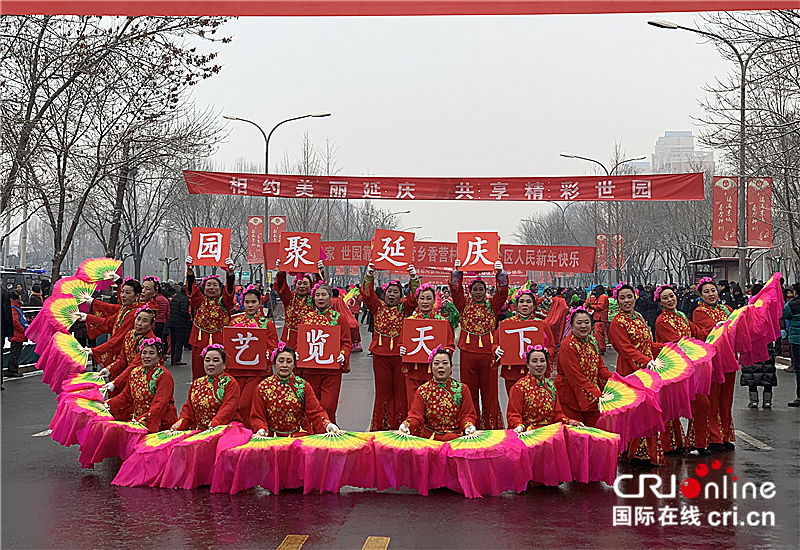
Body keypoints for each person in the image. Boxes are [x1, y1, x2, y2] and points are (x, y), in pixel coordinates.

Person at [609, 283, 664, 467]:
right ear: (617, 301)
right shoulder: (617, 323)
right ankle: (634, 453)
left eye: (629, 297)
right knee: (634, 413)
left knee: (647, 411)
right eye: (622, 298)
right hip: (630, 372)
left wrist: (667, 348)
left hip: (647, 372)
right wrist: (645, 361)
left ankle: (646, 452)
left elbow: (648, 344)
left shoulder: (639, 317)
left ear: (635, 297)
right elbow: (626, 350)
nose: (626, 301)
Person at [449, 260, 508, 429]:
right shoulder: (464, 304)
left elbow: (502, 294)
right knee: (469, 391)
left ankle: (492, 427)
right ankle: (470, 424)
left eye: (481, 289)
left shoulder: (492, 305)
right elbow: (456, 292)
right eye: (475, 289)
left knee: (490, 394)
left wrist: (500, 274)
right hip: (468, 353)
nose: (478, 293)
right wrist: (457, 272)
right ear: (470, 291)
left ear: (485, 291)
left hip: (489, 354)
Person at [361, 263, 419, 431]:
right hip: (380, 356)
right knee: (383, 392)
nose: (392, 295)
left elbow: (414, 298)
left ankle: (400, 425)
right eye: (389, 292)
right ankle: (382, 426)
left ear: (401, 296)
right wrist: (370, 274)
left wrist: (413, 278)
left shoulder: (404, 309)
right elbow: (366, 294)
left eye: (396, 292)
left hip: (400, 356)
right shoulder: (377, 307)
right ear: (384, 294)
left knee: (401, 393)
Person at [654, 284, 708, 455]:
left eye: (671, 296)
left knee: (702, 403)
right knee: (670, 407)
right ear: (660, 303)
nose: (670, 300)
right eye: (665, 298)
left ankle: (697, 443)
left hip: (689, 367)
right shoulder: (661, 321)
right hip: (672, 369)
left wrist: (717, 329)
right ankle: (670, 445)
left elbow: (697, 332)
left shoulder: (682, 316)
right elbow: (676, 342)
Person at [250, 344, 340, 437]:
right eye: (281, 361)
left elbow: (315, 411)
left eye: (289, 361)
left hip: (299, 435)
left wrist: (327, 424)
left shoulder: (303, 386)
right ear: (274, 363)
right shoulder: (263, 387)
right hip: (273, 437)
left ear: (294, 365)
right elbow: (258, 416)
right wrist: (261, 428)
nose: (284, 365)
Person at [692, 277, 735, 452]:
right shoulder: (699, 312)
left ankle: (725, 435)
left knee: (726, 400)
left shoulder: (726, 309)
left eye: (713, 290)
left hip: (730, 358)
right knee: (713, 400)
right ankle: (714, 437)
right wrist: (721, 327)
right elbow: (711, 332)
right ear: (701, 295)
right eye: (707, 292)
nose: (711, 294)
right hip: (713, 360)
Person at [399, 346, 477, 441]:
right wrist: (407, 425)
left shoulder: (462, 389)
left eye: (445, 363)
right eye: (436, 363)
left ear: (451, 367)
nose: (441, 366)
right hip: (430, 439)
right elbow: (415, 415)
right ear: (431, 367)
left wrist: (469, 426)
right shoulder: (423, 390)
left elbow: (467, 415)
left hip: (455, 439)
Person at [299, 282, 352, 423]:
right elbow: (302, 343)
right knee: (311, 405)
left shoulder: (339, 318)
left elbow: (346, 342)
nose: (320, 298)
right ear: (313, 298)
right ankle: (312, 434)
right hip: (311, 370)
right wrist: (298, 354)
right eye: (317, 295)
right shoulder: (307, 318)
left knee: (328, 405)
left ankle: (329, 431)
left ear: (330, 297)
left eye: (324, 295)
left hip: (331, 371)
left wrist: (343, 354)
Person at [228, 285, 279, 428]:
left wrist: (262, 354)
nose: (250, 305)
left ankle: (250, 431)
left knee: (246, 404)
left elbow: (273, 349)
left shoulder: (267, 324)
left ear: (260, 303)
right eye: (247, 302)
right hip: (236, 371)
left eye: (254, 302)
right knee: (234, 405)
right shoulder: (234, 322)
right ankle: (237, 432)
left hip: (257, 373)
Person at [399, 283, 456, 406]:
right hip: (413, 372)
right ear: (417, 300)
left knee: (434, 407)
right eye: (422, 298)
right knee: (414, 406)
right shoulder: (410, 322)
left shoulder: (443, 322)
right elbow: (401, 343)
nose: (425, 302)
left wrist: (446, 353)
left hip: (434, 373)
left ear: (434, 301)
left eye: (429, 298)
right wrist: (402, 350)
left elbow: (451, 345)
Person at [106, 338, 177, 432]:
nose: (147, 356)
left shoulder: (164, 375)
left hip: (159, 423)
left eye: (151, 353)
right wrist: (107, 405)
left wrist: (142, 421)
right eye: (144, 353)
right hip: (138, 421)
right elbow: (126, 397)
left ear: (159, 357)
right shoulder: (135, 372)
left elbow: (160, 404)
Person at [493, 287, 555, 395]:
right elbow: (494, 344)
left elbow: (553, 347)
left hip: (536, 372)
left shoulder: (542, 325)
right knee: (514, 404)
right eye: (521, 301)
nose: (525, 304)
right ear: (516, 305)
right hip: (512, 372)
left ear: (534, 305)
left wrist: (545, 353)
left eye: (528, 301)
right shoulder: (506, 324)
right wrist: (496, 350)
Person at [555, 308, 611, 427]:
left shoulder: (592, 341)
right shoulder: (567, 345)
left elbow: (600, 368)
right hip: (570, 397)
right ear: (571, 325)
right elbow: (576, 377)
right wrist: (598, 395)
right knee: (577, 434)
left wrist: (616, 382)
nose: (583, 326)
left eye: (586, 322)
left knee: (596, 429)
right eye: (579, 323)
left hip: (590, 394)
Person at [507, 345, 582, 432]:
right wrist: (519, 426)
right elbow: (513, 416)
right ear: (527, 364)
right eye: (534, 361)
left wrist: (571, 422)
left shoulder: (550, 386)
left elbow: (557, 415)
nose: (539, 364)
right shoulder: (519, 388)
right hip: (529, 434)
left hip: (549, 433)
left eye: (542, 361)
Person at [87, 306, 157, 396]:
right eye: (138, 319)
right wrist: (109, 369)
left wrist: (116, 382)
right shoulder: (130, 334)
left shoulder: (150, 343)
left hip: (143, 381)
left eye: (144, 321)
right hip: (127, 376)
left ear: (151, 325)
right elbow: (122, 359)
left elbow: (135, 364)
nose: (139, 323)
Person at [185, 256, 235, 380]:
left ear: (220, 288)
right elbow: (192, 291)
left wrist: (230, 273)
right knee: (199, 372)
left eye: (215, 285)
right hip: (199, 341)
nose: (211, 288)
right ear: (204, 288)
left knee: (221, 373)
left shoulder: (224, 303)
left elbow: (229, 293)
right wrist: (190, 272)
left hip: (220, 341)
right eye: (209, 285)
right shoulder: (199, 302)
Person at [171, 344, 241, 430]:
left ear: (224, 364)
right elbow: (188, 410)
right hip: (200, 431)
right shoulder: (197, 383)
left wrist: (214, 425)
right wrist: (178, 426)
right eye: (207, 360)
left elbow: (228, 409)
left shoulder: (230, 383)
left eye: (215, 360)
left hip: (224, 430)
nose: (210, 364)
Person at [79, 278, 141, 367]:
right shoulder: (124, 309)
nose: (123, 295)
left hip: (125, 357)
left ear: (137, 296)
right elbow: (108, 323)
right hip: (119, 355)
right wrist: (87, 317)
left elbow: (118, 338)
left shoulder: (133, 315)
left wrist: (95, 350)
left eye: (127, 293)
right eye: (122, 292)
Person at [739, 282, 778, 410]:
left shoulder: (748, 307)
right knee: (767, 373)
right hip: (766, 344)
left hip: (751, 344)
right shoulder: (768, 307)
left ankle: (753, 401)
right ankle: (767, 402)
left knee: (751, 373)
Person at [273, 259, 323, 350]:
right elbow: (281, 287)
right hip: (290, 337)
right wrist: (281, 273)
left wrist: (318, 272)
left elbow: (320, 287)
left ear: (311, 286)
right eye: (299, 283)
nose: (302, 286)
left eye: (305, 283)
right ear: (295, 286)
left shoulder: (314, 298)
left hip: (309, 336)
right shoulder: (290, 298)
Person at [166, 283, 191, 366]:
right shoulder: (184, 299)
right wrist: (188, 317)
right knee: (179, 342)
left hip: (172, 322)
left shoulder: (175, 297)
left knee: (173, 341)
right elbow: (183, 311)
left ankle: (173, 358)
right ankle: (177, 359)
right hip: (180, 323)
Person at [784, 282, 800, 407]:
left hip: (796, 341)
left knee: (799, 369)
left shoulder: (790, 305)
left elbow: (784, 315)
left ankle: (799, 396)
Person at [7, 290, 27, 378]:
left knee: (16, 352)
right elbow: (15, 321)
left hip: (17, 334)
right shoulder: (14, 308)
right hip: (17, 334)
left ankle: (14, 369)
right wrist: (22, 329)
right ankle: (12, 370)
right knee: (15, 353)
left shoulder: (15, 307)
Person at [585, 285, 609, 354]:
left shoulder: (602, 297)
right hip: (601, 318)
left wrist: (591, 306)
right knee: (601, 334)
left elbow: (599, 307)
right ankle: (602, 347)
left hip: (600, 318)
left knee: (599, 334)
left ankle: (600, 348)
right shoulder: (603, 297)